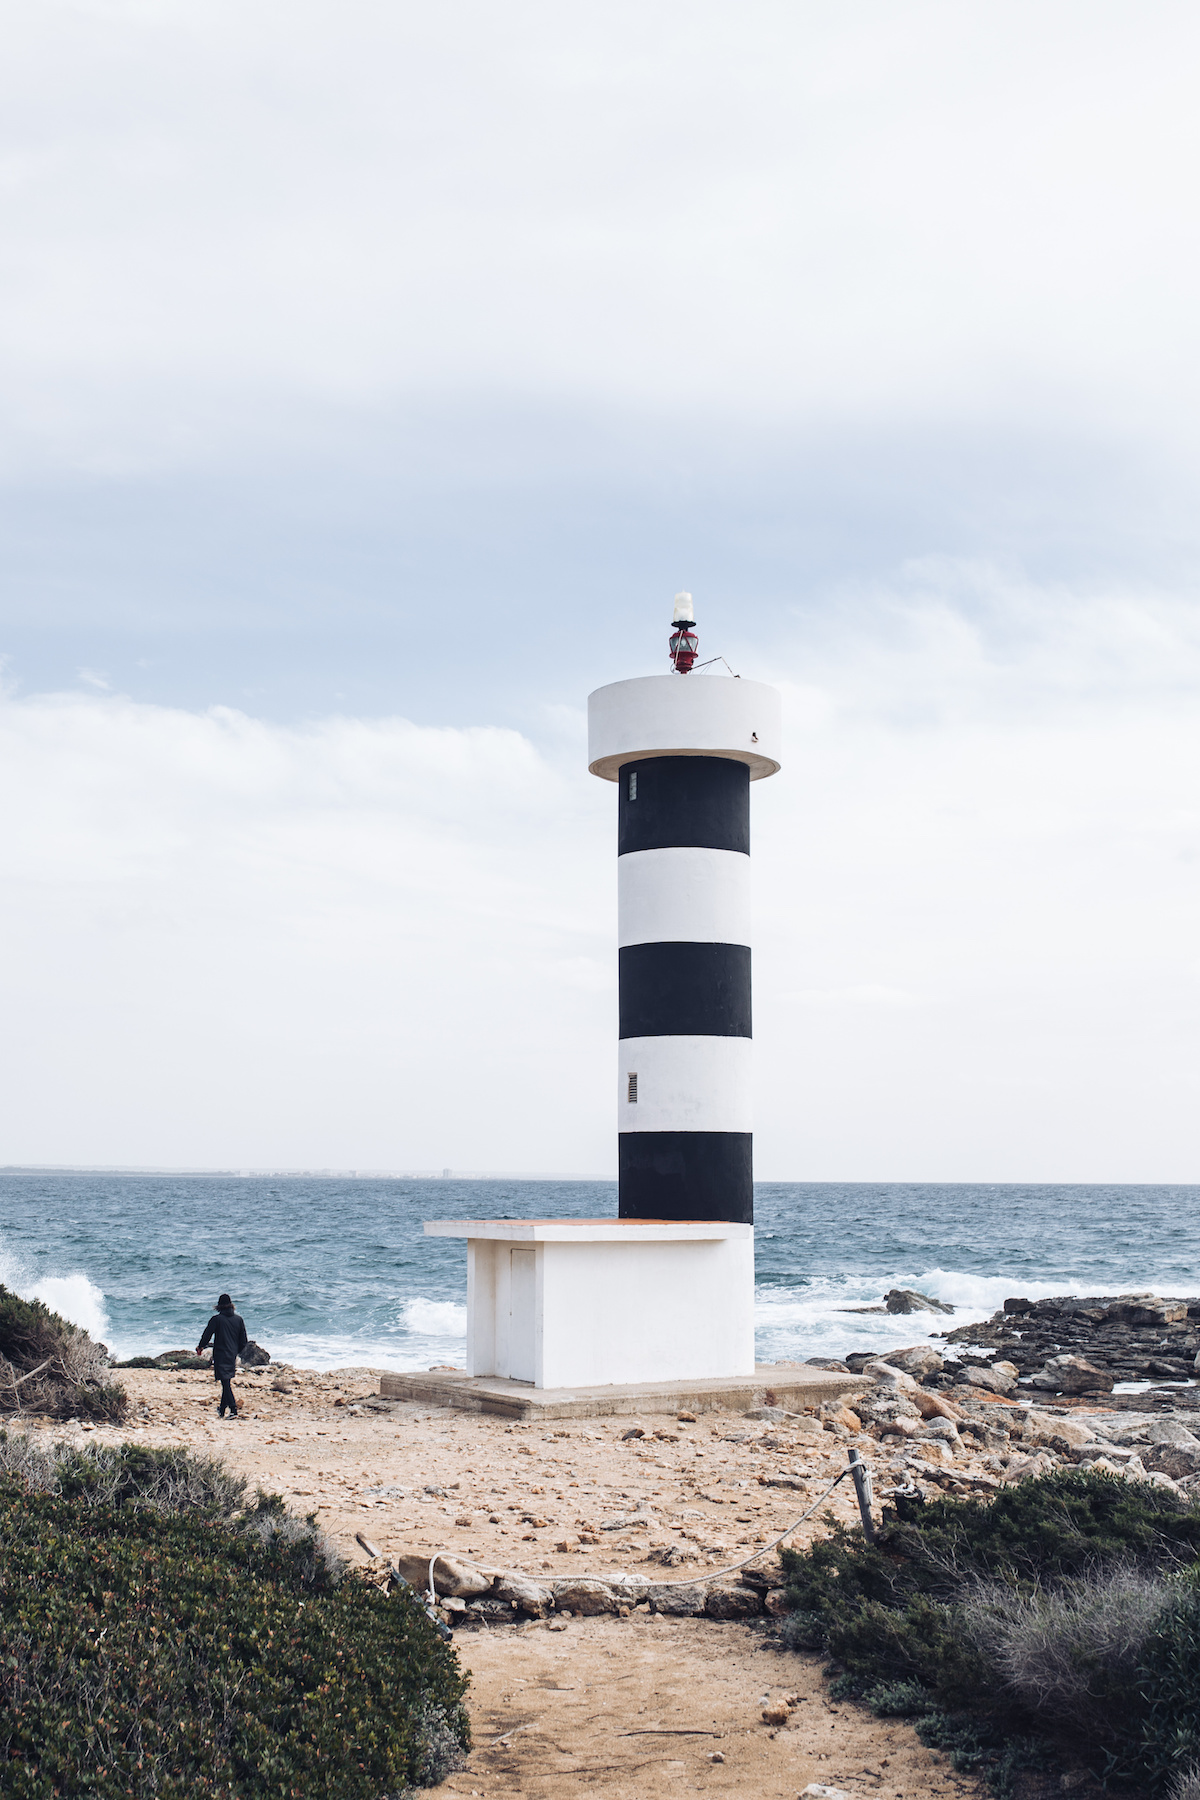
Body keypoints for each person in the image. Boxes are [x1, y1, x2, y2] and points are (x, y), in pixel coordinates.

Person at [196, 1293, 249, 1418]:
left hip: (220, 1353)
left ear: (219, 1306)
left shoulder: (216, 1319)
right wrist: (236, 1351)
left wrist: (200, 1347)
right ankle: (221, 1409)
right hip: (232, 1355)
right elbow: (244, 1341)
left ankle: (233, 1410)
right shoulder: (239, 1319)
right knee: (226, 1381)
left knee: (225, 1383)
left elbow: (207, 1335)